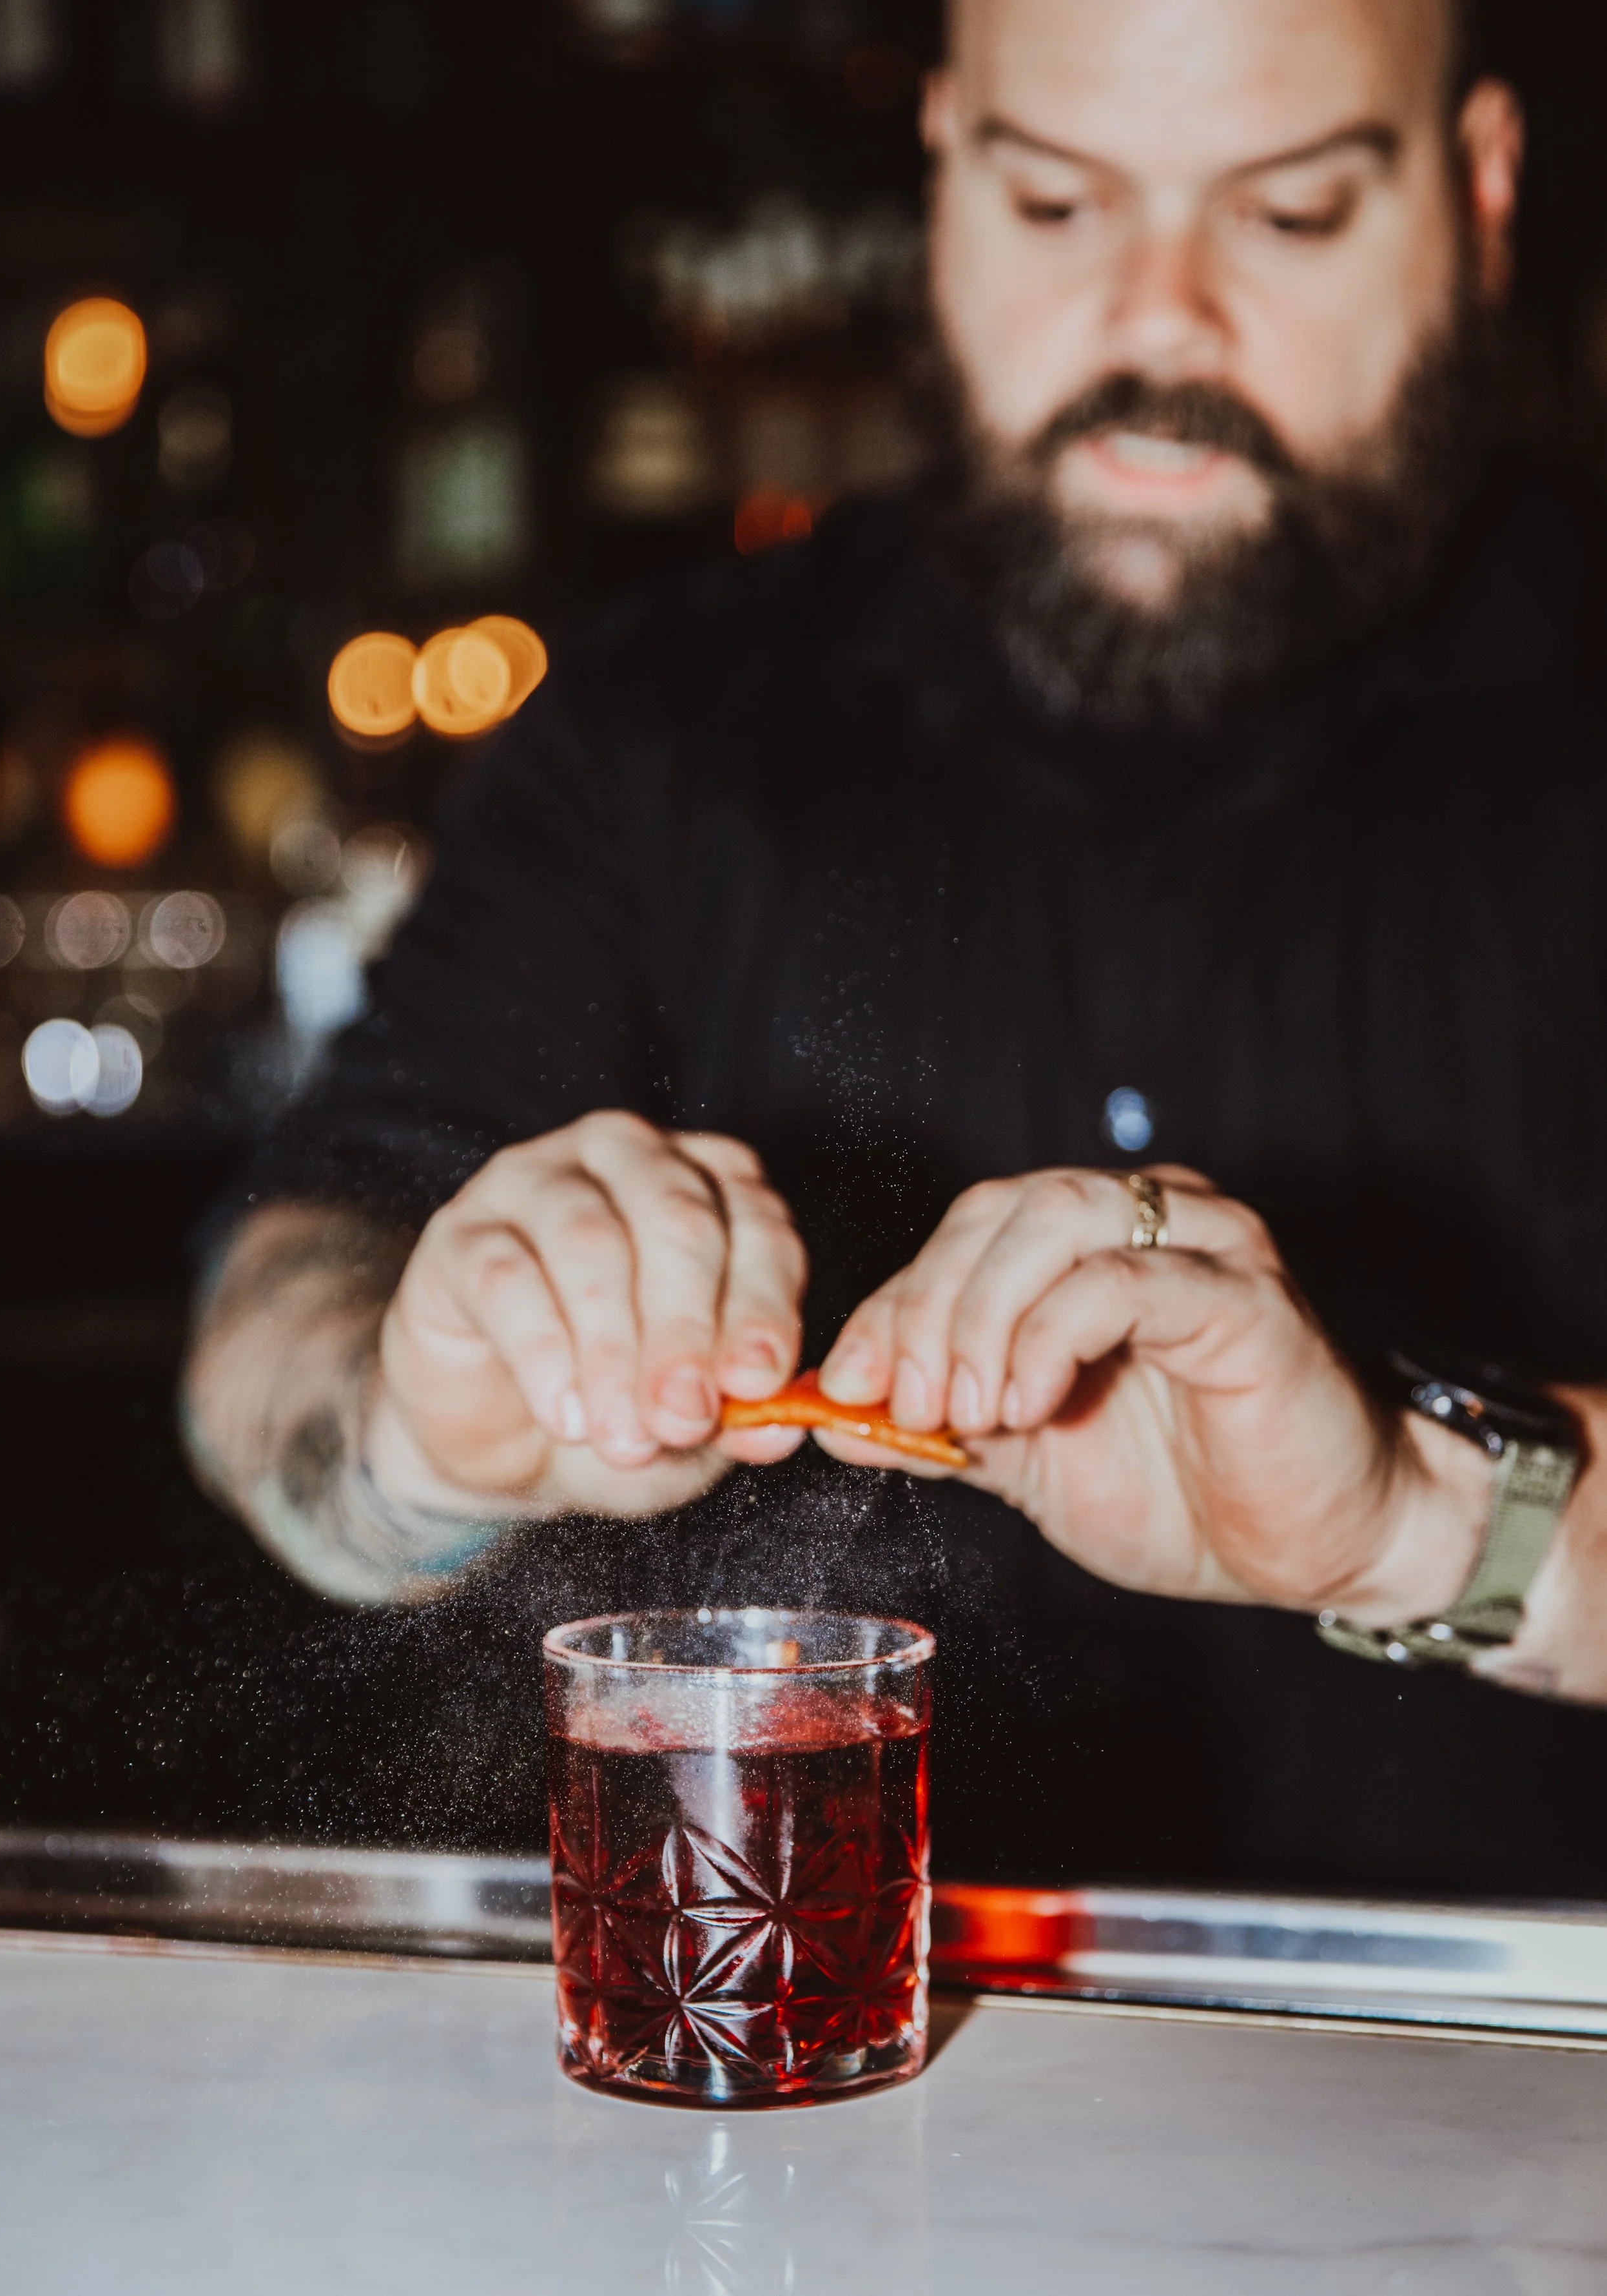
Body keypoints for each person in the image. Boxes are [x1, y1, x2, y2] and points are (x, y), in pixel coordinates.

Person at [186, 0, 1607, 1892]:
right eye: (1052, 203)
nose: (1156, 320)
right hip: (776, 2122)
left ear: (1479, 186)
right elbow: (275, 1318)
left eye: (1286, 218)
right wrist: (415, 1425)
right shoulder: (664, 725)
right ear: (942, 159)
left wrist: (1410, 1519)